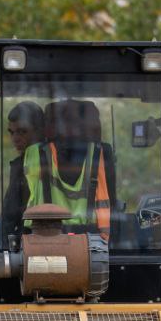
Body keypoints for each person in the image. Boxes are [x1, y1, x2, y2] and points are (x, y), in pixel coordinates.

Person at [22, 100, 114, 237]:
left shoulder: (33, 153)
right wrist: (105, 238)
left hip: (44, 237)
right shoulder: (99, 153)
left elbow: (19, 203)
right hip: (89, 239)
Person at [0, 102, 45, 244]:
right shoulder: (22, 164)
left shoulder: (22, 166)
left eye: (22, 132)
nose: (15, 139)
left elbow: (8, 217)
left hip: (31, 243)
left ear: (40, 131)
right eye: (11, 132)